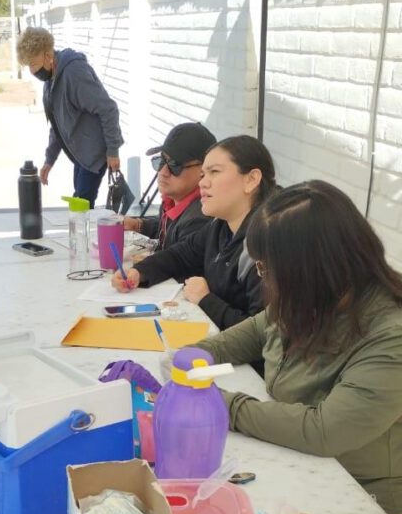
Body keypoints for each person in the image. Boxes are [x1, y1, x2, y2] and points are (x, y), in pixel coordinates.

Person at [196, 181, 402, 514]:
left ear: (309, 270)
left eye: (266, 268)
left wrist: (219, 404)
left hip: (366, 499)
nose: (263, 279)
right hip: (305, 466)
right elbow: (250, 334)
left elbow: (325, 430)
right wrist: (195, 355)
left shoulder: (390, 338)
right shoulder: (308, 301)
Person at [112, 135, 277, 330]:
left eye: (214, 172)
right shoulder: (220, 225)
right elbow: (180, 255)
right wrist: (139, 272)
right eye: (203, 175)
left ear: (251, 180)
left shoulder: (268, 244)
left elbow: (264, 337)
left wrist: (205, 300)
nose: (203, 184)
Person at [16, 26, 123, 206]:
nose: (32, 71)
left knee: (81, 205)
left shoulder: (74, 73)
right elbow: (57, 125)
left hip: (94, 152)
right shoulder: (51, 79)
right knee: (80, 203)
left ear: (48, 55)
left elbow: (108, 109)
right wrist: (49, 160)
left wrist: (112, 150)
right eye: (29, 66)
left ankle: (85, 233)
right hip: (80, 154)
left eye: (33, 64)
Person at [122, 121, 215, 250]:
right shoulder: (173, 199)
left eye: (175, 165)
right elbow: (168, 232)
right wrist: (138, 225)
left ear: (204, 169)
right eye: (161, 161)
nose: (163, 172)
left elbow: (175, 265)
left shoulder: (198, 221)